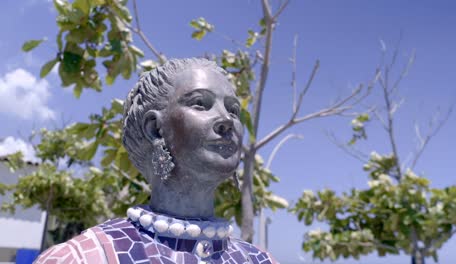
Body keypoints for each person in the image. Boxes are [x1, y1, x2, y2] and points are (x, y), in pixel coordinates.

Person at [35, 58, 277, 264]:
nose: (226, 119)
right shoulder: (83, 257)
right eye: (200, 104)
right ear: (155, 129)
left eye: (233, 109)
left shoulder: (259, 260)